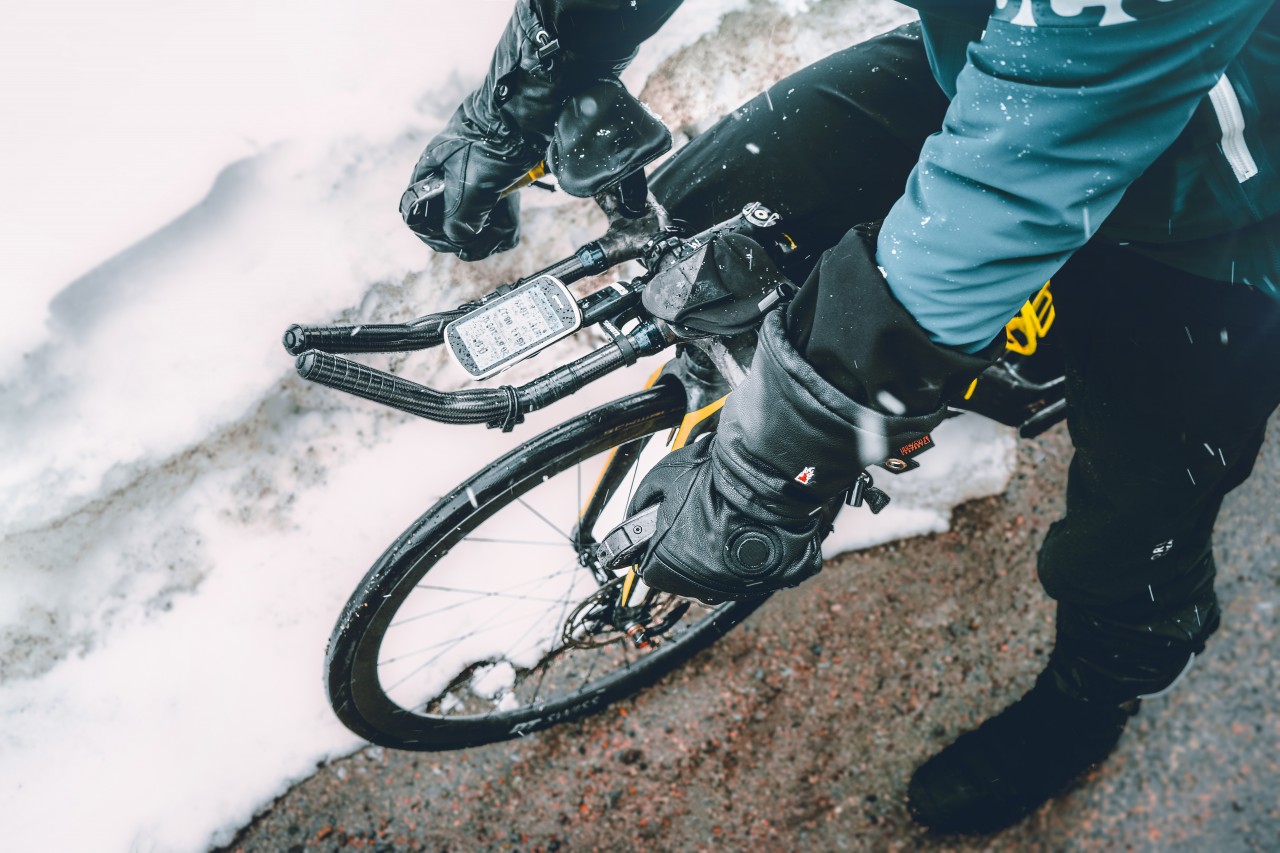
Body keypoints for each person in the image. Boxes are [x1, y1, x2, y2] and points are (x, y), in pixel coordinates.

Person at [401, 0, 1280, 833]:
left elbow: (1015, 181)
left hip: (1220, 204)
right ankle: (855, 376)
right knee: (711, 205)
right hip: (1000, 67)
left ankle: (1094, 695)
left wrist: (788, 447)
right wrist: (525, 91)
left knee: (1135, 527)